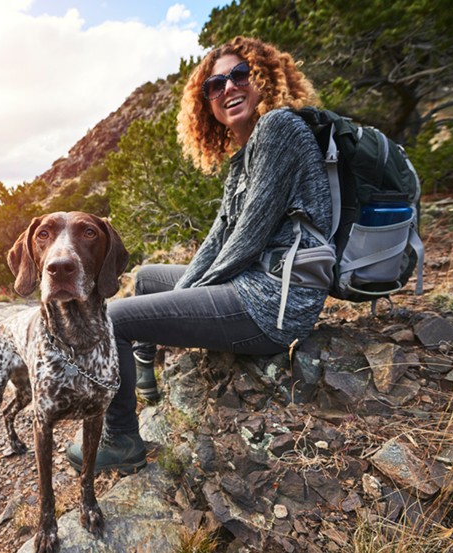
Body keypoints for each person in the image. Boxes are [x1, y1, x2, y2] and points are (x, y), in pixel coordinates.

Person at [66, 36, 333, 473]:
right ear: (206, 102)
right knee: (150, 277)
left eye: (239, 75)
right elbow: (216, 240)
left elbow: (245, 241)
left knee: (114, 318)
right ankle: (145, 381)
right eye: (215, 85)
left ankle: (121, 442)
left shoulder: (279, 128)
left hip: (273, 304)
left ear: (262, 78)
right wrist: (177, 293)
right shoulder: (244, 154)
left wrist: (180, 300)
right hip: (252, 284)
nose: (228, 88)